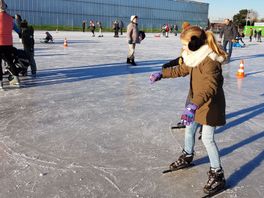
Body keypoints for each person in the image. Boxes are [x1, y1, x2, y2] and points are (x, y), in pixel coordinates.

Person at [149, 26, 227, 195]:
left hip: (209, 105)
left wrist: (193, 105)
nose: (183, 48)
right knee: (189, 130)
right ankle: (187, 155)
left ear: (195, 44)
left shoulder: (210, 61)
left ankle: (218, 174)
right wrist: (162, 74)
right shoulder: (194, 57)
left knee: (207, 139)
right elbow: (181, 69)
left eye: (185, 45)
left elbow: (210, 87)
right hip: (195, 103)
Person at [0, 0, 21, 88]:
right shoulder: (10, 18)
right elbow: (18, 30)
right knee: (10, 62)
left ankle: (0, 83)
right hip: (8, 44)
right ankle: (16, 80)